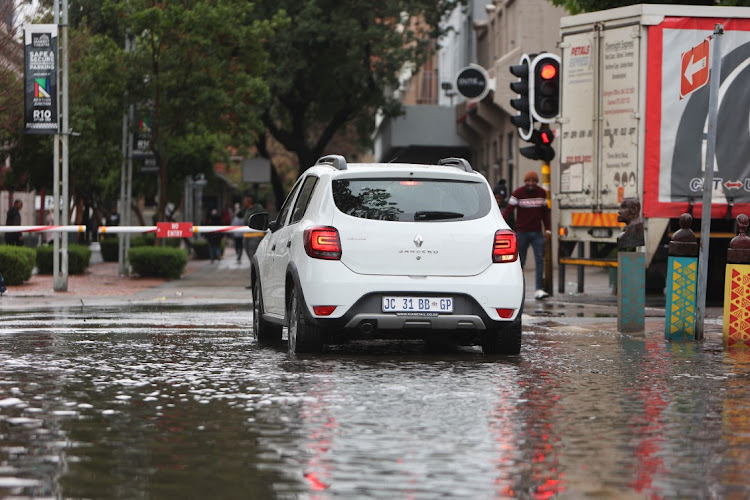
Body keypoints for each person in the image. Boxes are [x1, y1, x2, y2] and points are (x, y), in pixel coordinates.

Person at [502, 171, 551, 300]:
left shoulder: (542, 193)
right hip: (522, 232)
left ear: (537, 182)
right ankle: (518, 288)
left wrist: (548, 229)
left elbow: (546, 213)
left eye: (533, 181)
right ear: (525, 182)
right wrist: (501, 225)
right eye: (528, 181)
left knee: (540, 260)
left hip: (537, 233)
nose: (531, 183)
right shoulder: (518, 193)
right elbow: (508, 211)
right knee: (520, 261)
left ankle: (538, 289)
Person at [242, 195, 264, 288]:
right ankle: (254, 281)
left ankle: (256, 282)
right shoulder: (246, 209)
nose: (244, 201)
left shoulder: (258, 208)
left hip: (255, 236)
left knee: (253, 259)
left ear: (250, 200)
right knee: (250, 259)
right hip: (247, 235)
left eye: (245, 199)